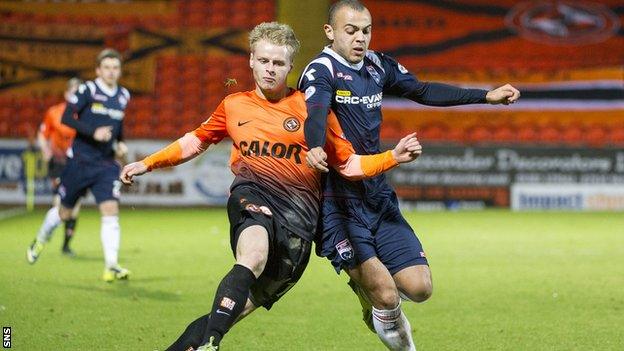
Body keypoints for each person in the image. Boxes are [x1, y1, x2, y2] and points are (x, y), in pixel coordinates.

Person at [120, 22, 422, 351]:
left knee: (229, 310)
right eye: (264, 61)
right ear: (251, 60)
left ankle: (196, 341)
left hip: (298, 227)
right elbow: (195, 141)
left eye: (278, 63)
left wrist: (392, 156)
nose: (270, 69)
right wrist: (148, 163)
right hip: (253, 197)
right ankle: (211, 344)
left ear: (291, 66)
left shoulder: (313, 108)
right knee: (253, 255)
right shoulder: (234, 104)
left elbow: (349, 164)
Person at [298, 1, 521, 350]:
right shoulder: (320, 70)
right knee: (386, 296)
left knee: (420, 288)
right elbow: (315, 111)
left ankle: (366, 286)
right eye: (351, 30)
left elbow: (422, 90)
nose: (360, 38)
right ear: (330, 32)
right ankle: (377, 300)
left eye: (366, 30)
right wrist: (313, 146)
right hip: (336, 202)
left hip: (376, 194)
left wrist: (486, 96)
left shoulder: (376, 64)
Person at [57, 48, 131, 282]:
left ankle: (111, 266)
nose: (111, 72)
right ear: (98, 70)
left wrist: (120, 143)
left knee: (111, 211)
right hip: (80, 160)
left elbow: (118, 125)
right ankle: (43, 235)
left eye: (115, 68)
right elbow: (66, 118)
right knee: (64, 211)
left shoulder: (123, 95)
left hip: (105, 164)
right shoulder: (87, 89)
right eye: (107, 67)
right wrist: (93, 132)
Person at [27, 78, 83, 264]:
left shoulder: (85, 114)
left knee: (74, 208)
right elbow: (42, 135)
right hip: (58, 163)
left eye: (79, 92)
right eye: (73, 91)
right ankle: (43, 237)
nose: (76, 95)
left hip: (78, 164)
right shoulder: (54, 112)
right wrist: (45, 149)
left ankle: (66, 245)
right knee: (61, 203)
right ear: (66, 94)